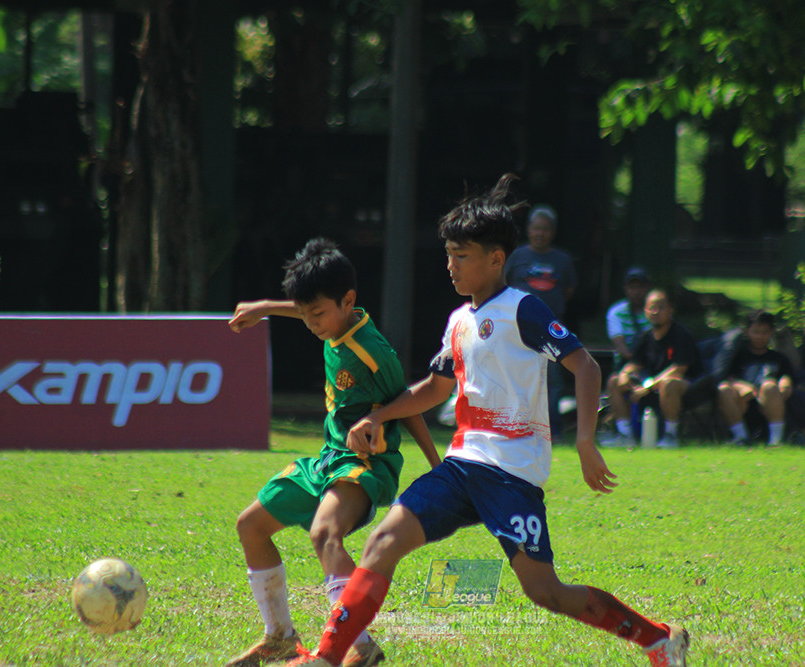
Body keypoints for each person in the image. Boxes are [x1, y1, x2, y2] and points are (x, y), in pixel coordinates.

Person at [285, 175, 690, 667]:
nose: (450, 265)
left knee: (546, 592)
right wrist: (378, 415)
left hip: (511, 475)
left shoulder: (523, 309)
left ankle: (657, 639)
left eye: (462, 255)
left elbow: (585, 365)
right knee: (381, 542)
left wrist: (585, 440)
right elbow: (435, 387)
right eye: (449, 253)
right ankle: (327, 659)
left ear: (496, 259)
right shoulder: (458, 320)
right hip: (462, 465)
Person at [224, 238, 440, 667]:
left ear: (348, 301)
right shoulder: (333, 319)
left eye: (317, 314)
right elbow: (306, 308)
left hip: (366, 463)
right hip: (328, 458)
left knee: (324, 533)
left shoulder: (371, 352)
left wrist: (438, 468)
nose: (311, 324)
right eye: (305, 314)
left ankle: (359, 647)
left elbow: (411, 404)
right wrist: (265, 306)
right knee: (251, 525)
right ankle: (279, 637)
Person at [504, 204, 577, 438]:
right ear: (528, 230)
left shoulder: (562, 259)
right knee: (518, 377)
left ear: (552, 232)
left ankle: (551, 429)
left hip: (552, 330)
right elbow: (502, 285)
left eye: (545, 229)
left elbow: (568, 289)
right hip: (519, 329)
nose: (540, 233)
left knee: (552, 381)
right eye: (536, 228)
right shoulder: (517, 256)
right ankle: (516, 427)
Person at [608, 288, 704, 449]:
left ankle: (670, 435)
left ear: (670, 310)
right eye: (651, 307)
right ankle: (625, 435)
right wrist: (625, 373)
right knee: (614, 381)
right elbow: (635, 363)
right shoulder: (646, 337)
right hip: (650, 385)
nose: (655, 312)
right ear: (645, 311)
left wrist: (647, 386)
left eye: (660, 307)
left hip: (687, 385)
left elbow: (679, 369)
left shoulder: (681, 334)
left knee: (668, 383)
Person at [716, 310, 795, 445]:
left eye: (765, 332)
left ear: (771, 333)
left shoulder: (778, 358)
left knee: (769, 386)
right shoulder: (738, 356)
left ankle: (776, 440)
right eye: (756, 332)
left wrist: (785, 383)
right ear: (747, 332)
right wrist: (742, 386)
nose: (760, 336)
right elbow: (728, 378)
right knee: (723, 390)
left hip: (770, 402)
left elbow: (786, 376)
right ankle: (740, 437)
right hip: (743, 402)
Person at [601, 268, 652, 446]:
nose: (636, 291)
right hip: (628, 365)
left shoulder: (654, 310)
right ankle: (625, 434)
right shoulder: (616, 312)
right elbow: (622, 347)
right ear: (625, 289)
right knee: (614, 382)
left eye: (640, 287)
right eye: (632, 287)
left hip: (653, 367)